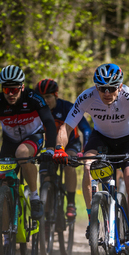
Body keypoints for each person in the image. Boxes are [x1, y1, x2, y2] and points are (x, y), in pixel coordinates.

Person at [53, 63, 129, 255]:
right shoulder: (87, 96)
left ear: (120, 86)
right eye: (102, 88)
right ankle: (93, 219)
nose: (107, 92)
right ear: (96, 87)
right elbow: (66, 127)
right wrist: (59, 148)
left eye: (112, 88)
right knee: (87, 166)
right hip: (100, 139)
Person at [0, 65, 56, 220]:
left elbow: (49, 122)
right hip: (10, 142)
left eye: (14, 90)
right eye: (7, 90)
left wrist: (51, 148)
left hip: (33, 137)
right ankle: (6, 238)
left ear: (22, 87)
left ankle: (34, 198)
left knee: (22, 153)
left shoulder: (33, 98)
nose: (11, 94)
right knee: (2, 182)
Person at [35, 79, 92, 219]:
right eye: (42, 98)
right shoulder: (37, 111)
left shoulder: (68, 107)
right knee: (45, 177)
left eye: (48, 97)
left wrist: (85, 149)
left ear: (56, 95)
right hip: (48, 148)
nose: (45, 101)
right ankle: (46, 218)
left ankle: (71, 202)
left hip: (70, 144)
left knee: (68, 164)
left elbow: (85, 129)